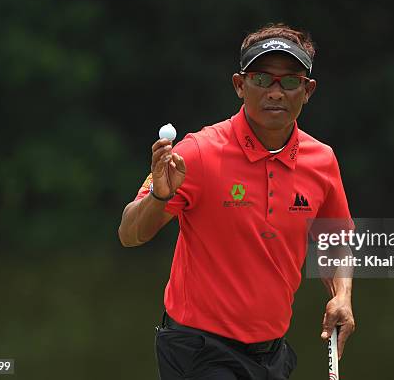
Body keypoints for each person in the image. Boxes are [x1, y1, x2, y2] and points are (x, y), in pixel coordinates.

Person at [118, 23, 355, 380]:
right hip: (198, 350)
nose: (276, 92)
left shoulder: (322, 160)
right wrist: (159, 196)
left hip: (271, 353)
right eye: (262, 79)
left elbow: (335, 240)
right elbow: (129, 233)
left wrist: (342, 295)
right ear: (239, 85)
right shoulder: (196, 153)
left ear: (307, 91)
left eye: (289, 81)